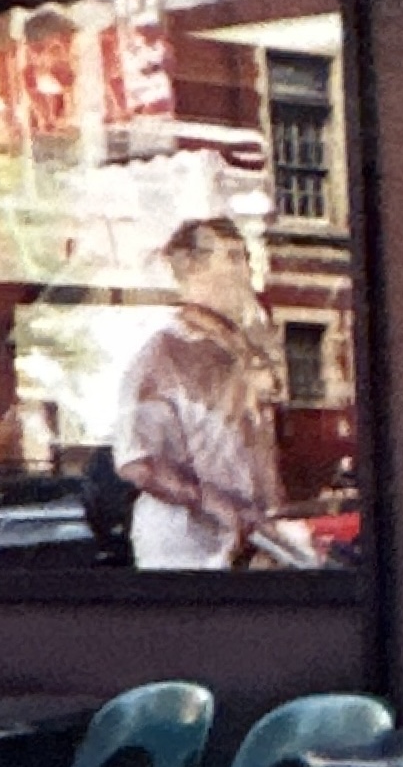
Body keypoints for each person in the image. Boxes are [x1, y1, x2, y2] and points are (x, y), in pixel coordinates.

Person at [113, 217, 289, 569]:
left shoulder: (241, 350)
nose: (247, 274)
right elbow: (139, 462)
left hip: (251, 544)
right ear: (193, 268)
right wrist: (215, 503)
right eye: (234, 258)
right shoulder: (163, 352)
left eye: (246, 259)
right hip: (185, 549)